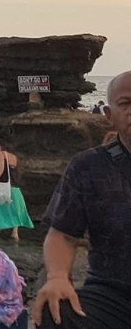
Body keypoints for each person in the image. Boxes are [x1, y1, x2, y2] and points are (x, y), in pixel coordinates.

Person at [33, 70, 131, 328]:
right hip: (112, 294)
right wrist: (56, 277)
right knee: (55, 313)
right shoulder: (87, 166)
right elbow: (61, 235)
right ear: (109, 115)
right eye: (125, 103)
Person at [0, 143, 34, 242]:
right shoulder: (13, 156)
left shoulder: (1, 154)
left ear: (0, 146)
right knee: (15, 209)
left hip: (4, 186)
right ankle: (15, 232)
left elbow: (1, 168)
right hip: (14, 187)